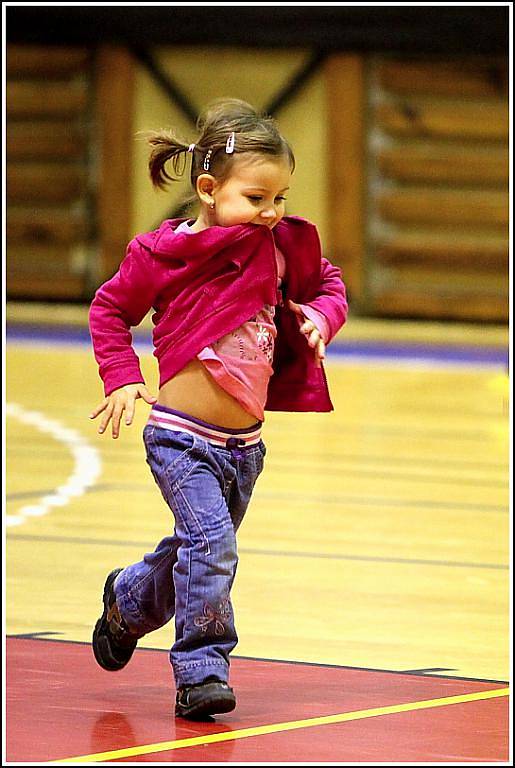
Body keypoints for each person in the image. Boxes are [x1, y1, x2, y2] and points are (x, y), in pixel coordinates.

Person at [88, 98, 348, 720]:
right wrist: (121, 377)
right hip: (180, 438)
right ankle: (202, 667)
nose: (272, 212)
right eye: (257, 198)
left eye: (280, 198)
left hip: (245, 449)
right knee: (213, 546)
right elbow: (109, 310)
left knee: (195, 550)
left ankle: (127, 604)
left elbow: (330, 287)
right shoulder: (161, 255)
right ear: (209, 189)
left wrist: (320, 316)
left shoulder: (280, 250)